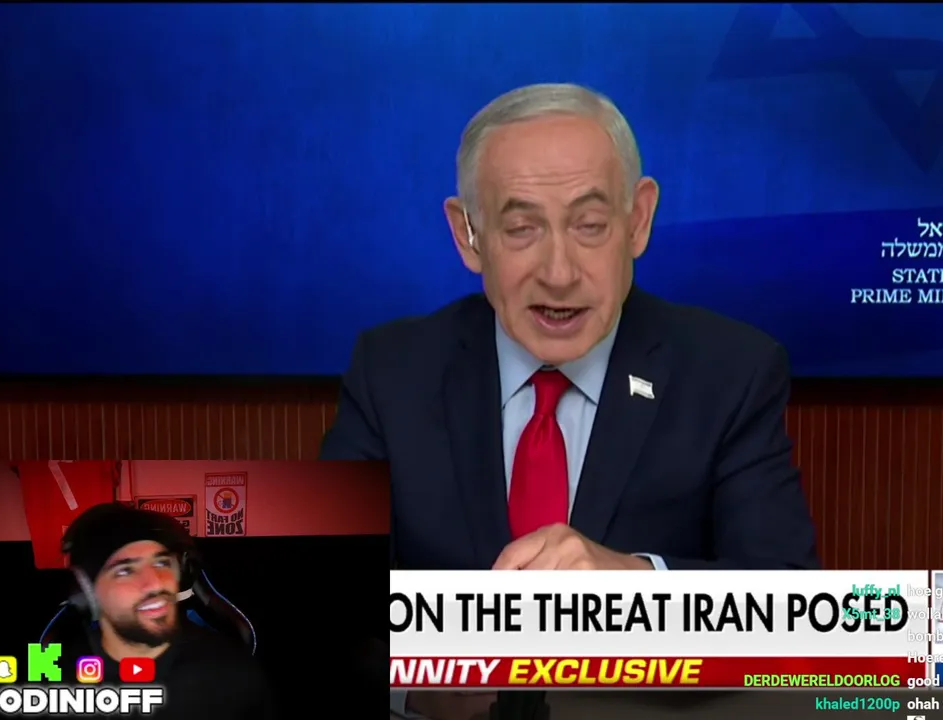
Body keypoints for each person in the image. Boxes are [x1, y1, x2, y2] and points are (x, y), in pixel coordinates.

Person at [320, 83, 819, 719]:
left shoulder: (730, 372)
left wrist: (634, 586)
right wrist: (417, 689)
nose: (560, 273)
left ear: (638, 220)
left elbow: (792, 609)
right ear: (468, 235)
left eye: (589, 226)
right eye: (521, 228)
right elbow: (321, 607)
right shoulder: (392, 371)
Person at [57, 503, 276, 719]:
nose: (155, 583)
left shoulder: (231, 673)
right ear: (85, 592)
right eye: (125, 570)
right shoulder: (56, 679)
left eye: (162, 563)